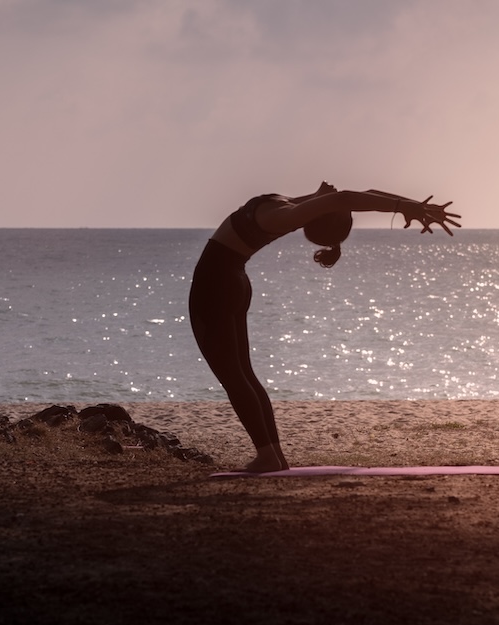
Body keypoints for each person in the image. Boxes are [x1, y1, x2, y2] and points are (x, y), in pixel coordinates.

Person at [189, 182, 461, 472]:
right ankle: (273, 455)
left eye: (333, 205)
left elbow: (345, 198)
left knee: (233, 376)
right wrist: (415, 205)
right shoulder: (293, 207)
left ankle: (267, 456)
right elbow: (364, 193)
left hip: (215, 284)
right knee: (243, 374)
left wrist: (405, 207)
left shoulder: (287, 215)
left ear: (322, 212)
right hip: (232, 280)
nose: (335, 194)